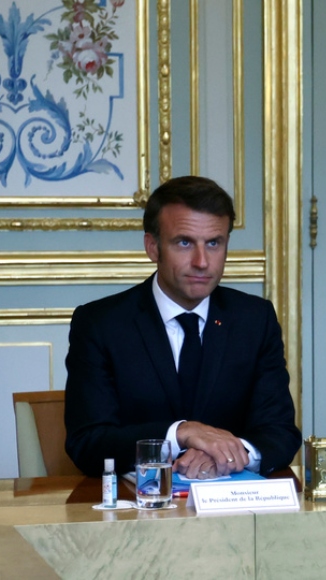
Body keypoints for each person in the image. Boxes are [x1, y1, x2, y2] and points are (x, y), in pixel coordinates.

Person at [64, 176, 301, 478]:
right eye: (185, 242)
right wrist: (179, 434)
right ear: (153, 247)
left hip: (234, 509)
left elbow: (280, 432)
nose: (202, 261)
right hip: (137, 514)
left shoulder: (255, 319)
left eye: (214, 243)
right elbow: (88, 444)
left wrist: (225, 454)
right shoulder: (101, 324)